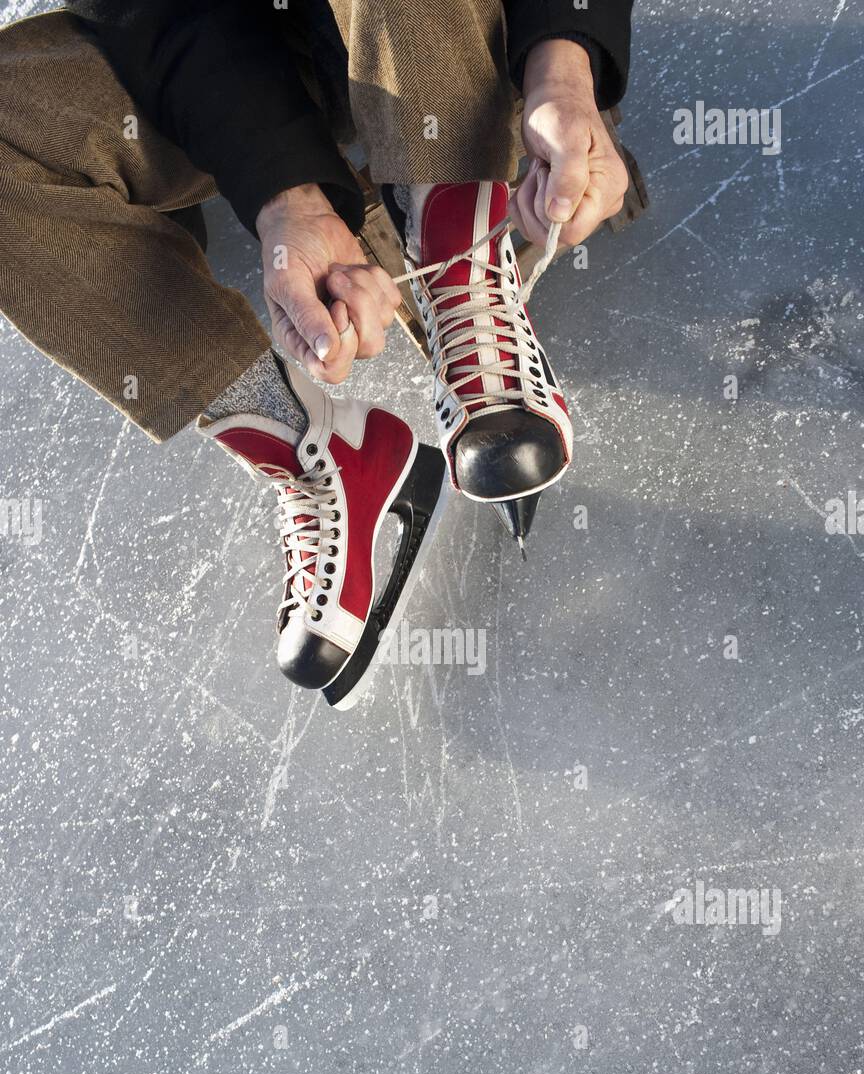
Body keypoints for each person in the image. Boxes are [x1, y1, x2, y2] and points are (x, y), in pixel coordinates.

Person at [0, 1, 634, 707]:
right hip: (216, 60)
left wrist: (565, 65)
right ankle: (309, 440)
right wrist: (283, 191)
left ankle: (460, 260)